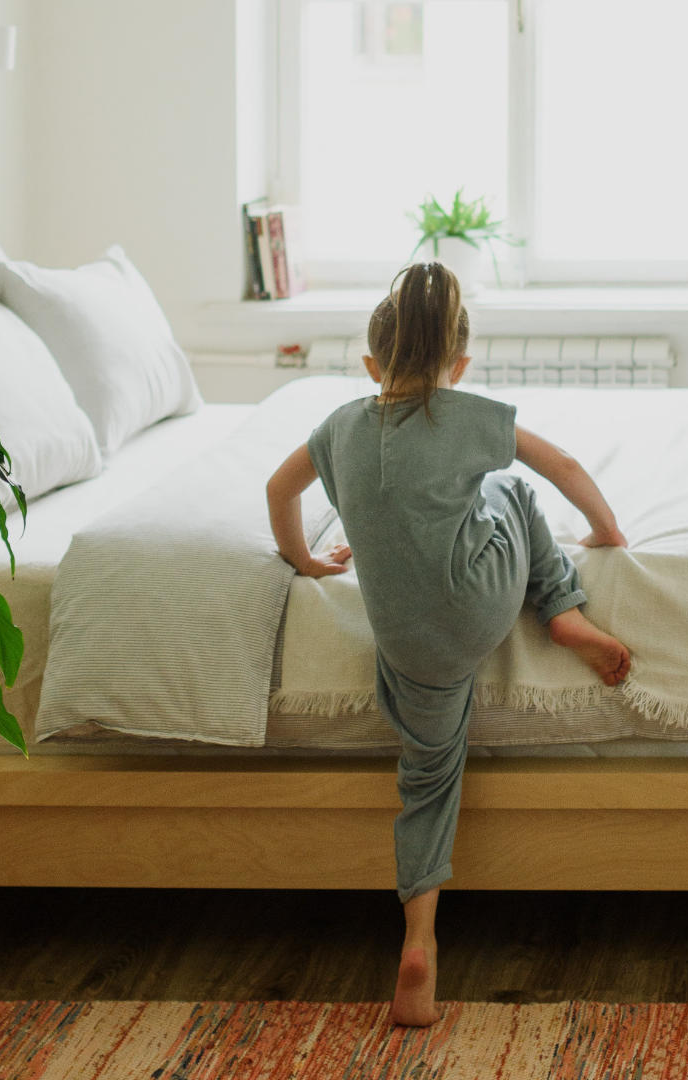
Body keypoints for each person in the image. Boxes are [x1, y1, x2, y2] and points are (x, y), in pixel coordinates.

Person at [265, 261, 631, 1026]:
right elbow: (559, 465)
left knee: (427, 780)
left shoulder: (338, 427)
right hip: (484, 607)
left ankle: (420, 945)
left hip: (409, 642)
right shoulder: (467, 413)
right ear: (458, 366)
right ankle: (560, 605)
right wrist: (607, 532)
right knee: (512, 489)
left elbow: (278, 489)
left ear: (371, 366)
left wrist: (303, 560)